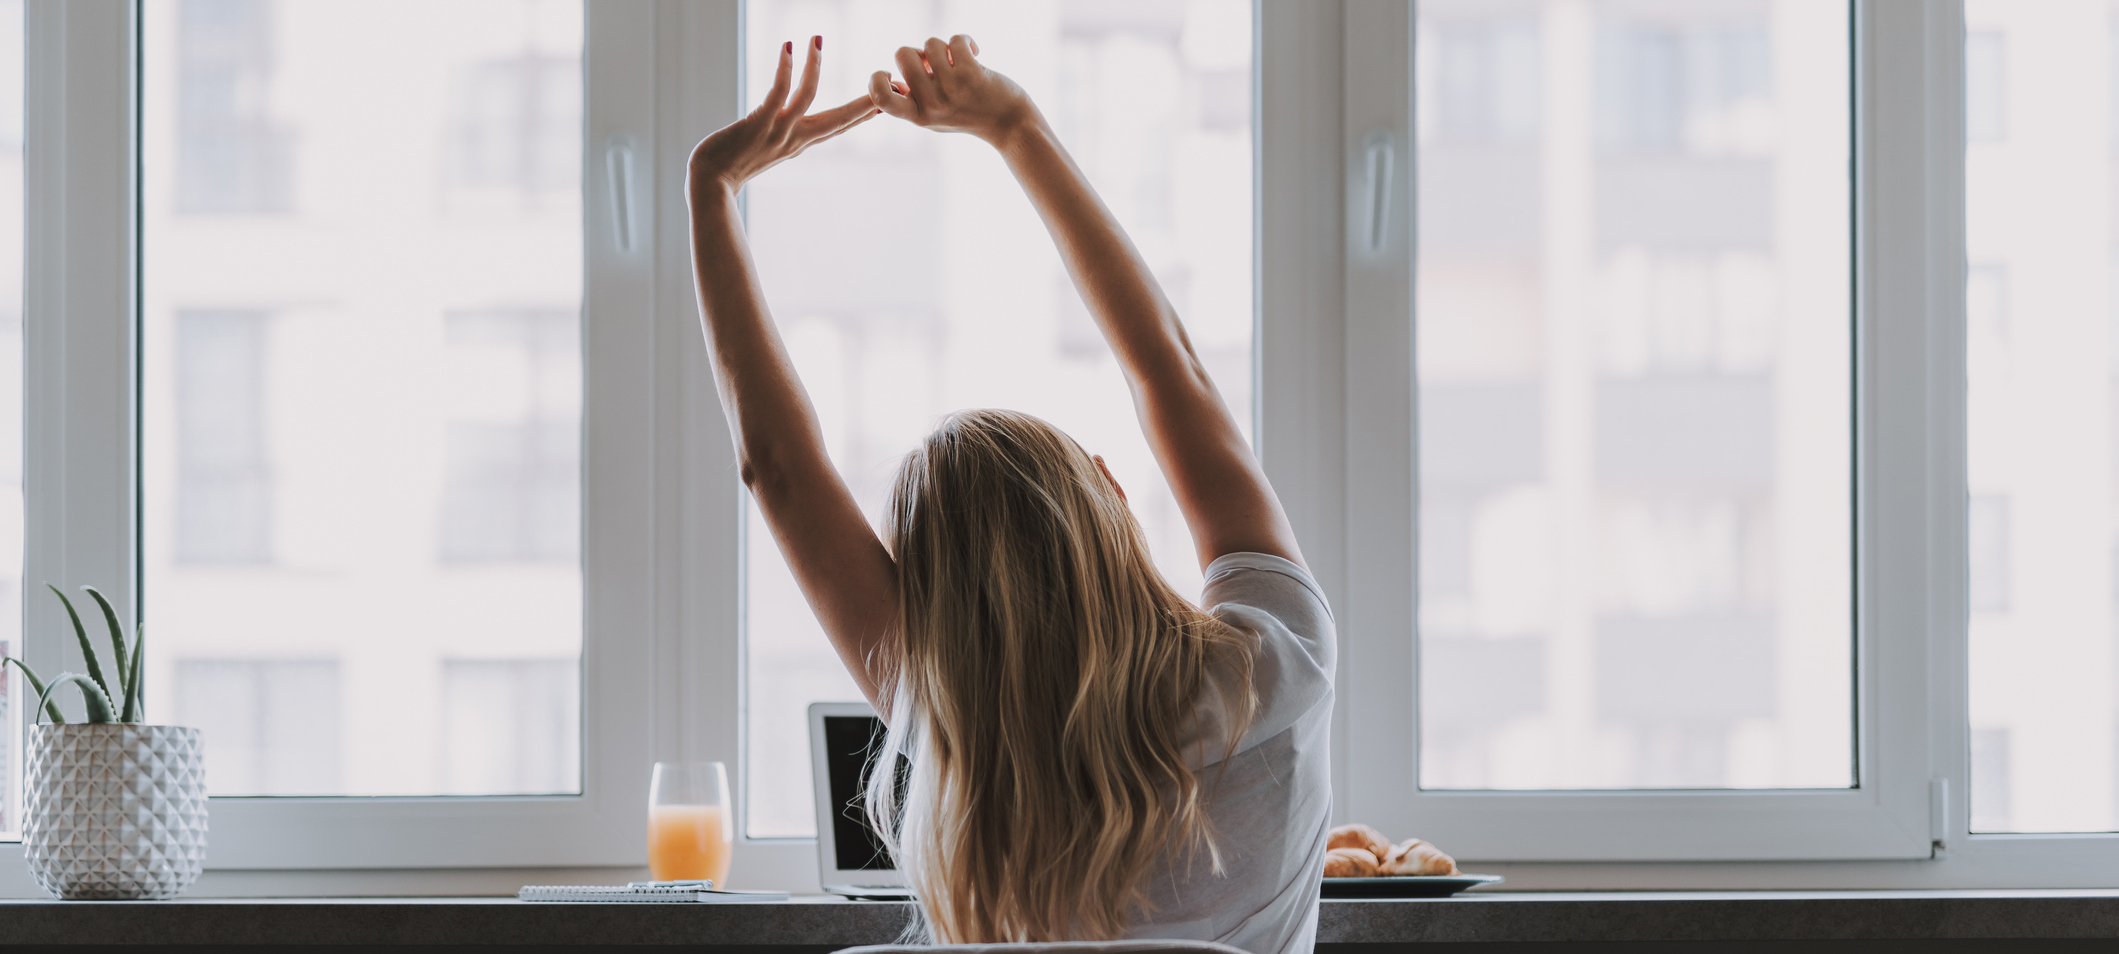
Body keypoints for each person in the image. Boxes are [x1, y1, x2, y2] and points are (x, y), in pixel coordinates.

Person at [686, 34, 1334, 954]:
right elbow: (1169, 372)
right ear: (1110, 491)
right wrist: (1014, 125)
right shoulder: (1278, 665)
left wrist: (712, 189)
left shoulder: (942, 719)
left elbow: (777, 470)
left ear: (926, 595)